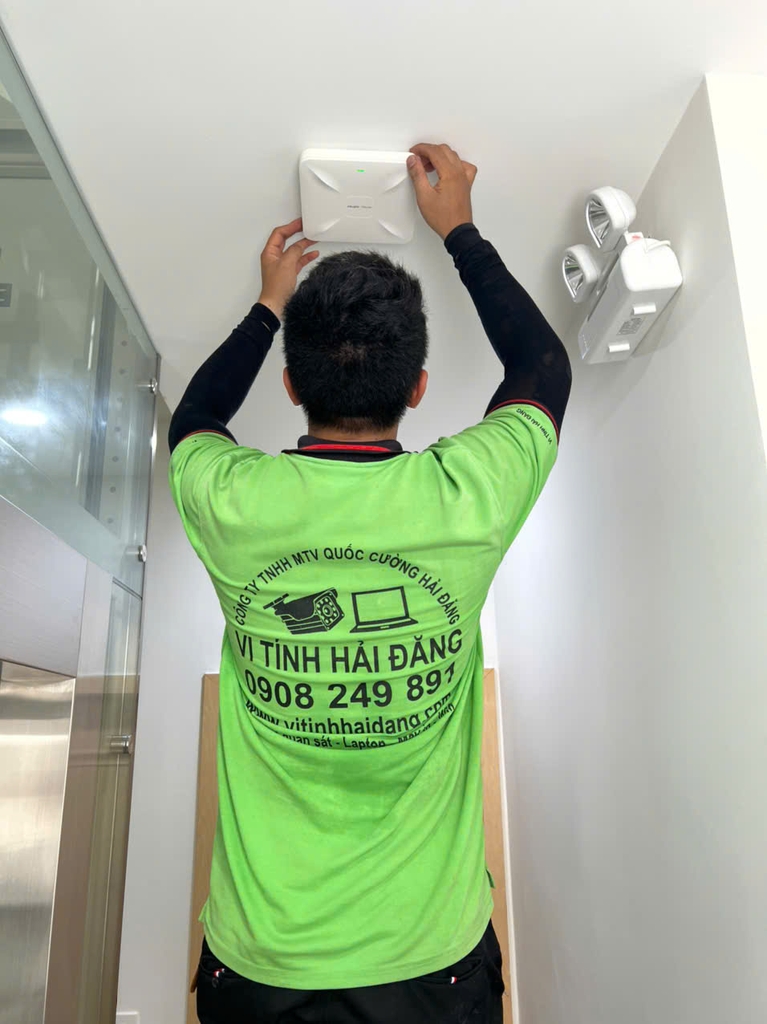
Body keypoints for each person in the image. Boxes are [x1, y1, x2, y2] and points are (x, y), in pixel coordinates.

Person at [169, 142, 571, 1024]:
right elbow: (542, 368)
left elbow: (194, 417)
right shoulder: (467, 496)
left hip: (262, 965)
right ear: (418, 389)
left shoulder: (232, 503)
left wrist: (267, 305)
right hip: (432, 968)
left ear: (289, 387)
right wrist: (460, 231)